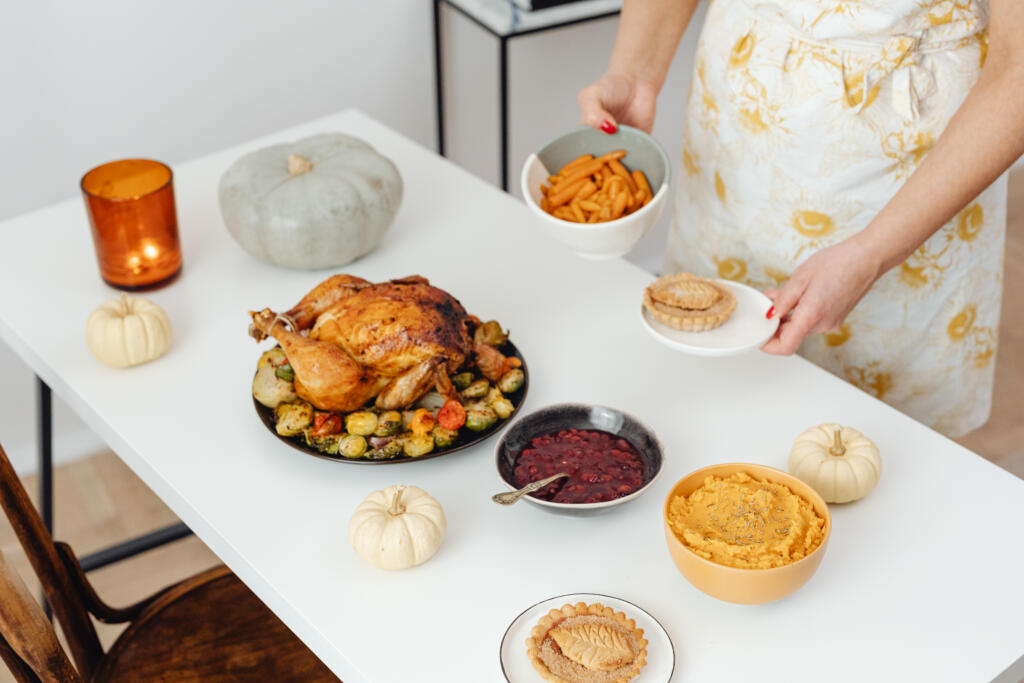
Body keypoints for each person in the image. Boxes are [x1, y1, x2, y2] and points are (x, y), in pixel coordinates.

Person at [578, 0, 1024, 437]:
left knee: (876, 449)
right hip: (738, 124)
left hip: (908, 169)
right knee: (712, 405)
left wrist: (871, 254)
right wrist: (636, 74)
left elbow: (1017, 71)